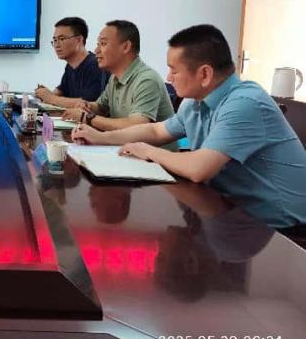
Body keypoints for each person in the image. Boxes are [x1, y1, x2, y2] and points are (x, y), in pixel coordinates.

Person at [72, 24, 306, 230]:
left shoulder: (244, 103)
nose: (169, 77)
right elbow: (156, 131)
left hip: (279, 225)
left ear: (204, 74)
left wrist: (147, 151)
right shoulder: (195, 101)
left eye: (174, 70)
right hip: (228, 207)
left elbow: (199, 168)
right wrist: (100, 137)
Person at [62, 20, 177, 150]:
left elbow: (137, 126)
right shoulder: (115, 77)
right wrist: (88, 106)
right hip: (125, 150)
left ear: (126, 47)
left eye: (103, 44)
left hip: (153, 159)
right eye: (98, 44)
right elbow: (102, 107)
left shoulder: (147, 80)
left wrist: (88, 117)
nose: (96, 50)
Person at [34, 17, 109, 106]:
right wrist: (43, 94)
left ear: (79, 40)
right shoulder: (70, 66)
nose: (57, 45)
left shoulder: (96, 65)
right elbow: (61, 91)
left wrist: (51, 98)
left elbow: (87, 105)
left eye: (62, 39)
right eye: (55, 40)